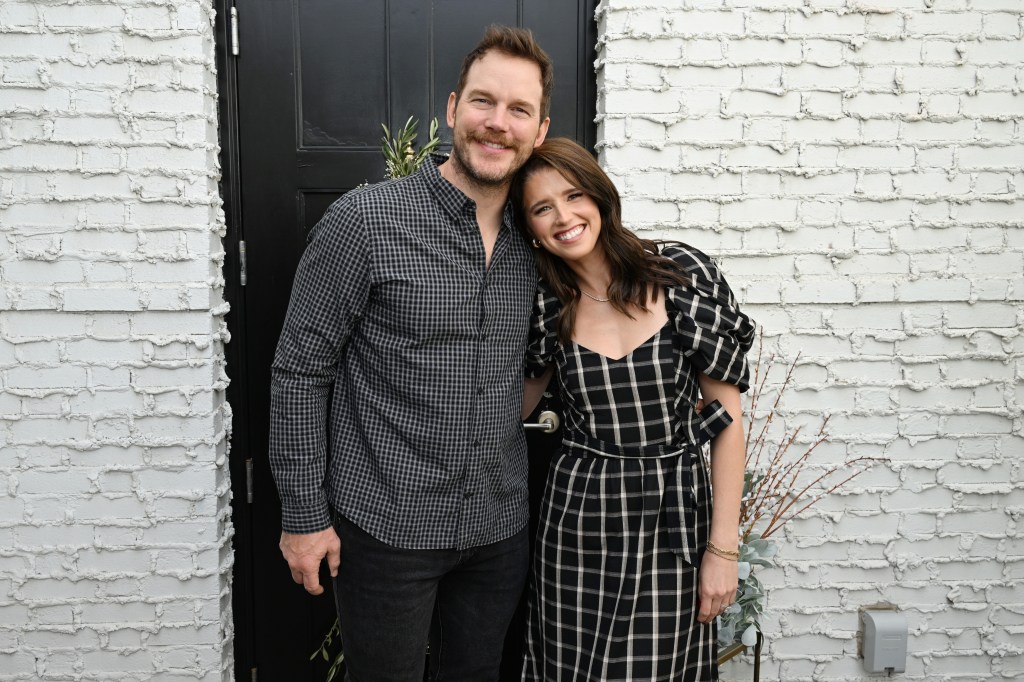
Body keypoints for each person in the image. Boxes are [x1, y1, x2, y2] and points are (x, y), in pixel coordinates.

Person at [268, 25, 551, 681]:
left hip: (497, 531)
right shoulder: (366, 222)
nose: (497, 123)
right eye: (483, 101)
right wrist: (304, 517)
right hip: (386, 529)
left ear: (539, 132)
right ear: (453, 109)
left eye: (519, 110)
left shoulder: (539, 239)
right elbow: (300, 371)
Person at [510, 138, 756, 681]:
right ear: (530, 228)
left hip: (673, 520)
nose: (564, 217)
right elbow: (508, 412)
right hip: (577, 522)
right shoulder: (545, 304)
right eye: (542, 208)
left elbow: (728, 424)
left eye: (573, 196)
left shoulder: (680, 276)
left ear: (599, 197)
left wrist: (723, 551)